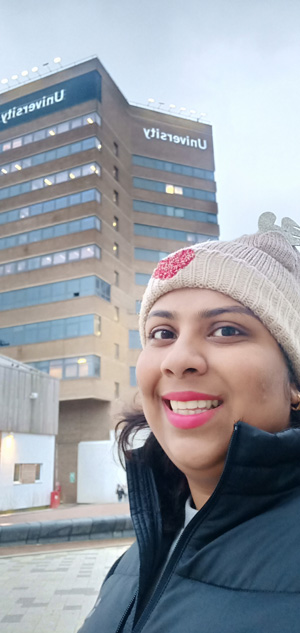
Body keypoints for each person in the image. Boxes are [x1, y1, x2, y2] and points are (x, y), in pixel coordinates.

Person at [78, 214, 300, 633]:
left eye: (227, 329)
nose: (179, 359)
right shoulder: (138, 558)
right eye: (162, 333)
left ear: (294, 381)